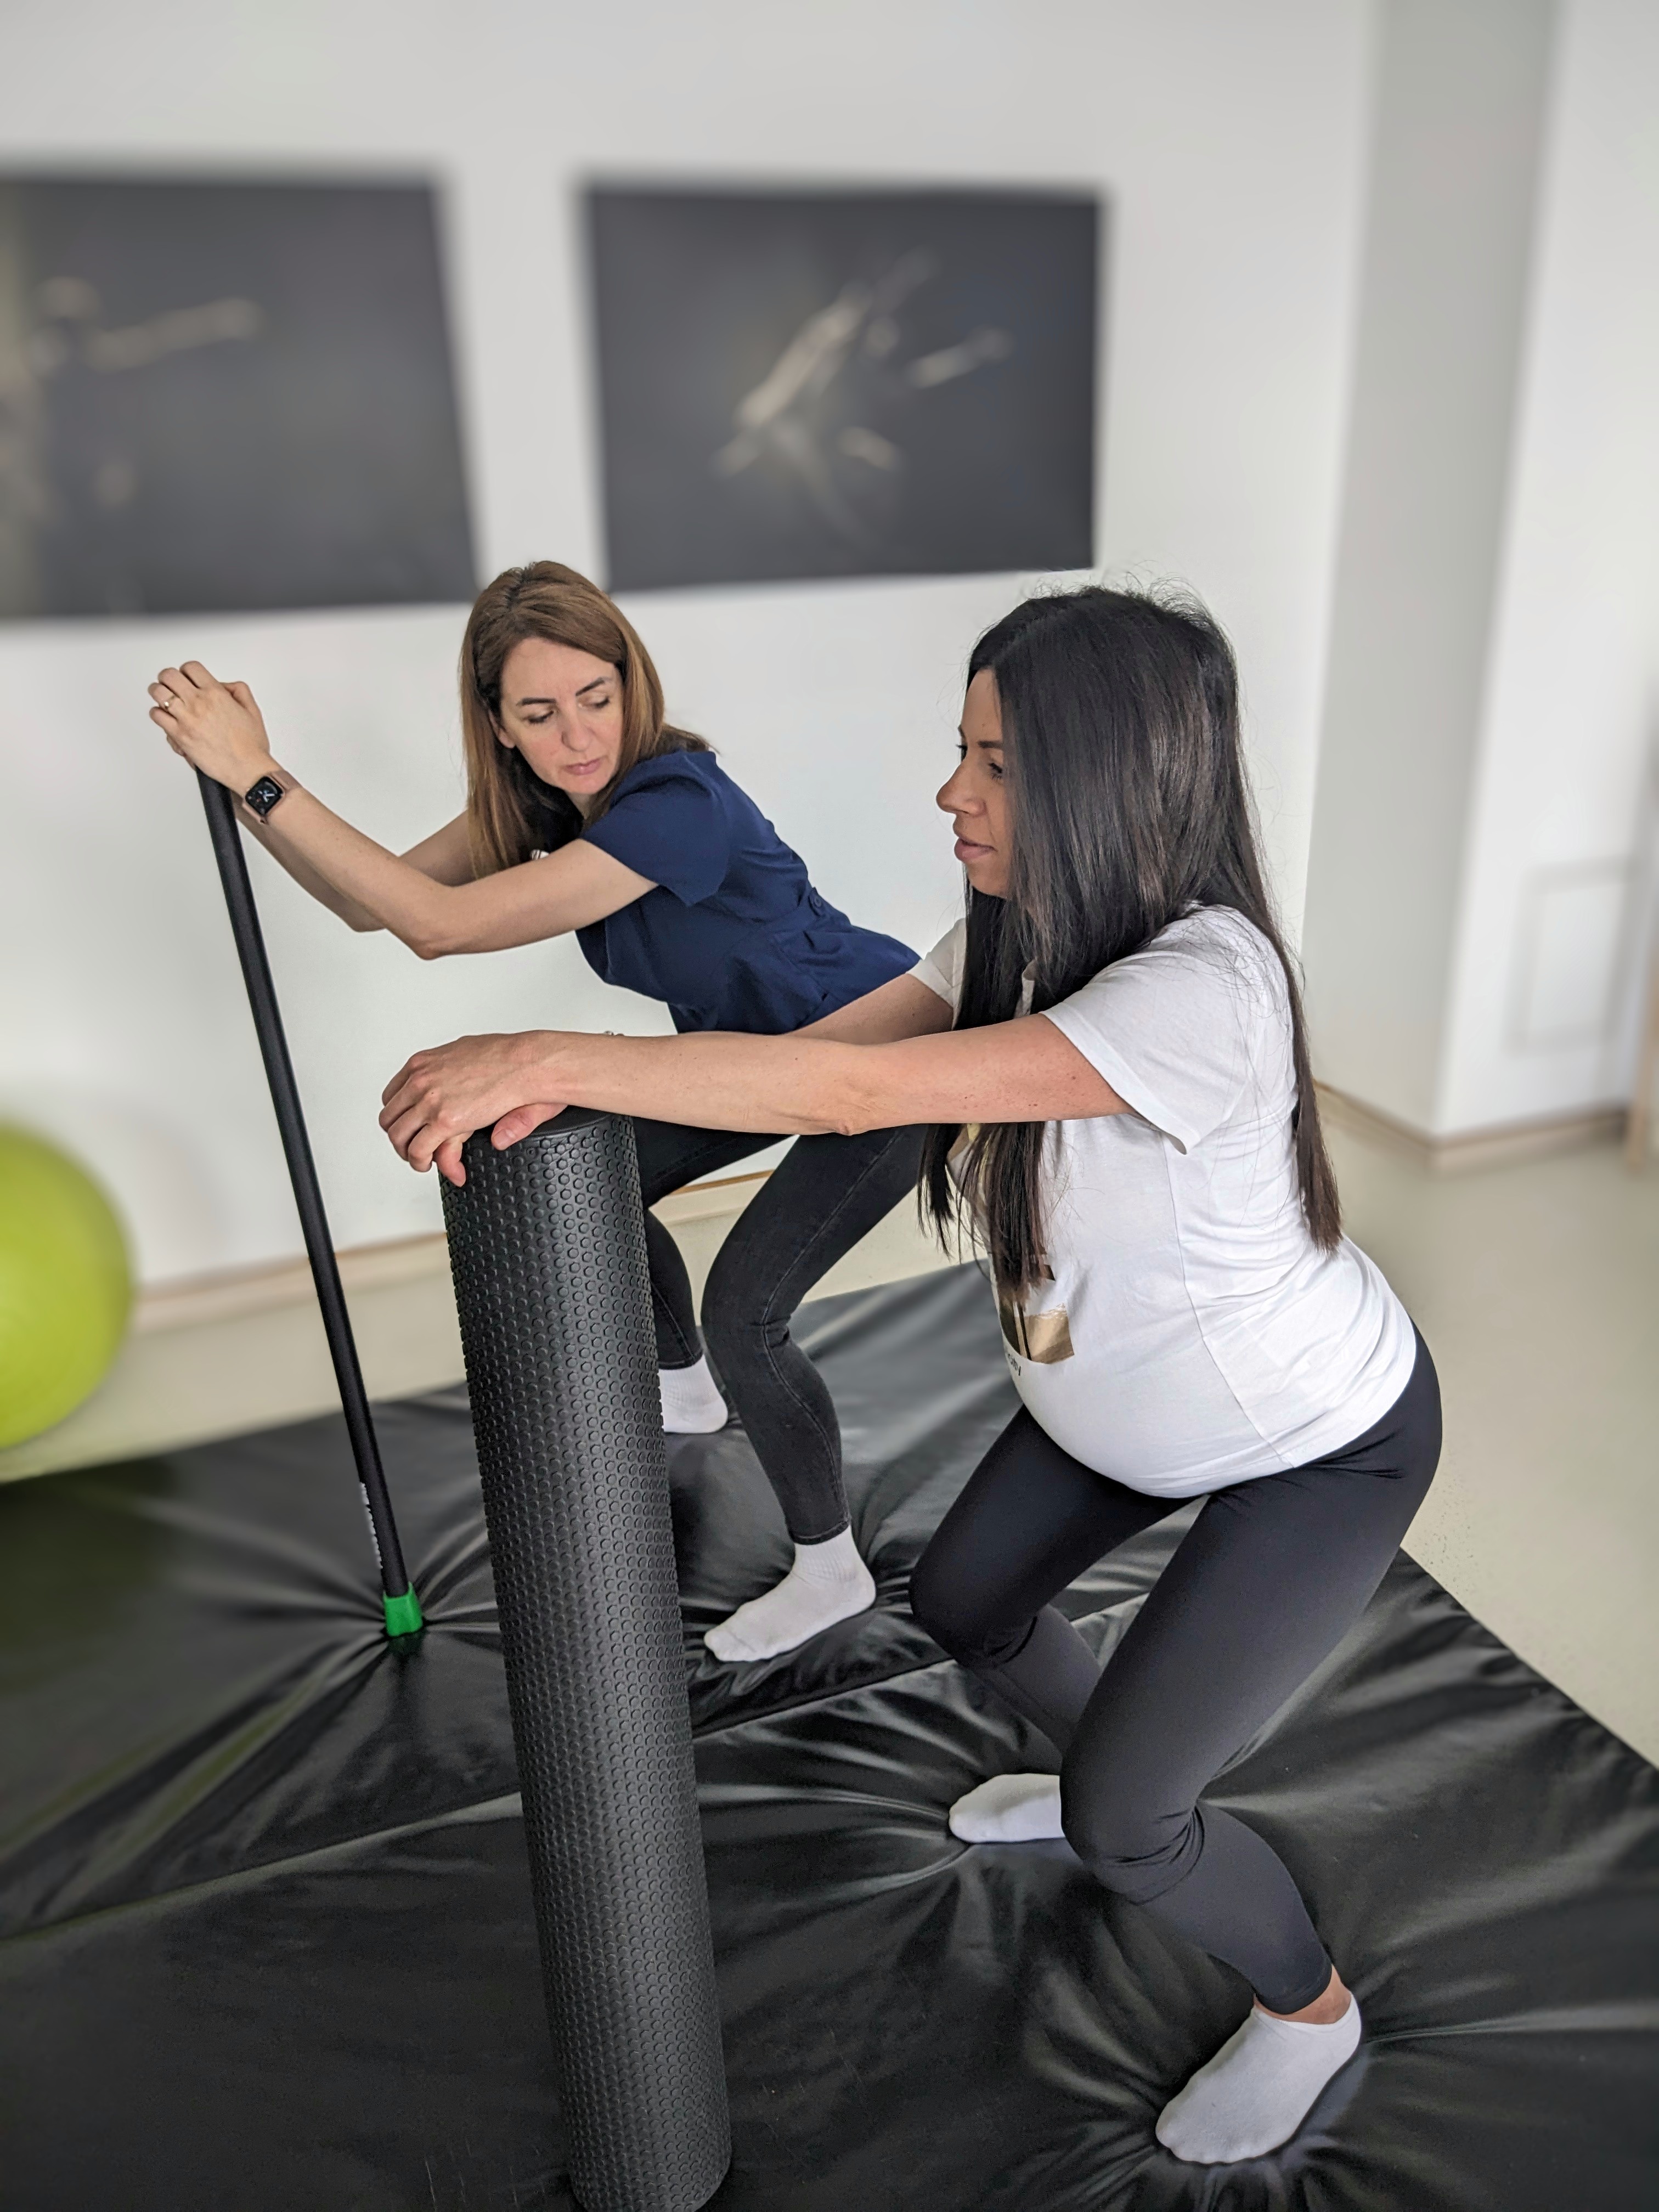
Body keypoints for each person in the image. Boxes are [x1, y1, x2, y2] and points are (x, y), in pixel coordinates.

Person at [374, 584, 1441, 2166]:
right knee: (962, 1605)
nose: (952, 792)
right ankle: (1105, 1764)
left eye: (993, 764)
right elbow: (818, 1059)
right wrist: (581, 1083)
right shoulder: (1012, 936)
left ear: (1105, 776)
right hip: (1108, 1412)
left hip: (1312, 1443)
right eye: (963, 751)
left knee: (1131, 1824)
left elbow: (859, 1091)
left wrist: (549, 1056)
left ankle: (1308, 2008)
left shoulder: (1205, 990)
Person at [147, 560, 923, 1663]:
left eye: (597, 698)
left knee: (748, 1309)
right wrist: (247, 782)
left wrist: (261, 776)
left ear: (631, 683)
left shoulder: (678, 807)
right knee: (595, 1174)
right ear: (500, 726)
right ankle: (686, 1388)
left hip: (877, 1048)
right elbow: (372, 906)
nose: (577, 736)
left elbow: (440, 928)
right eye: (541, 713)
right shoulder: (546, 806)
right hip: (747, 1062)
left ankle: (832, 1567)